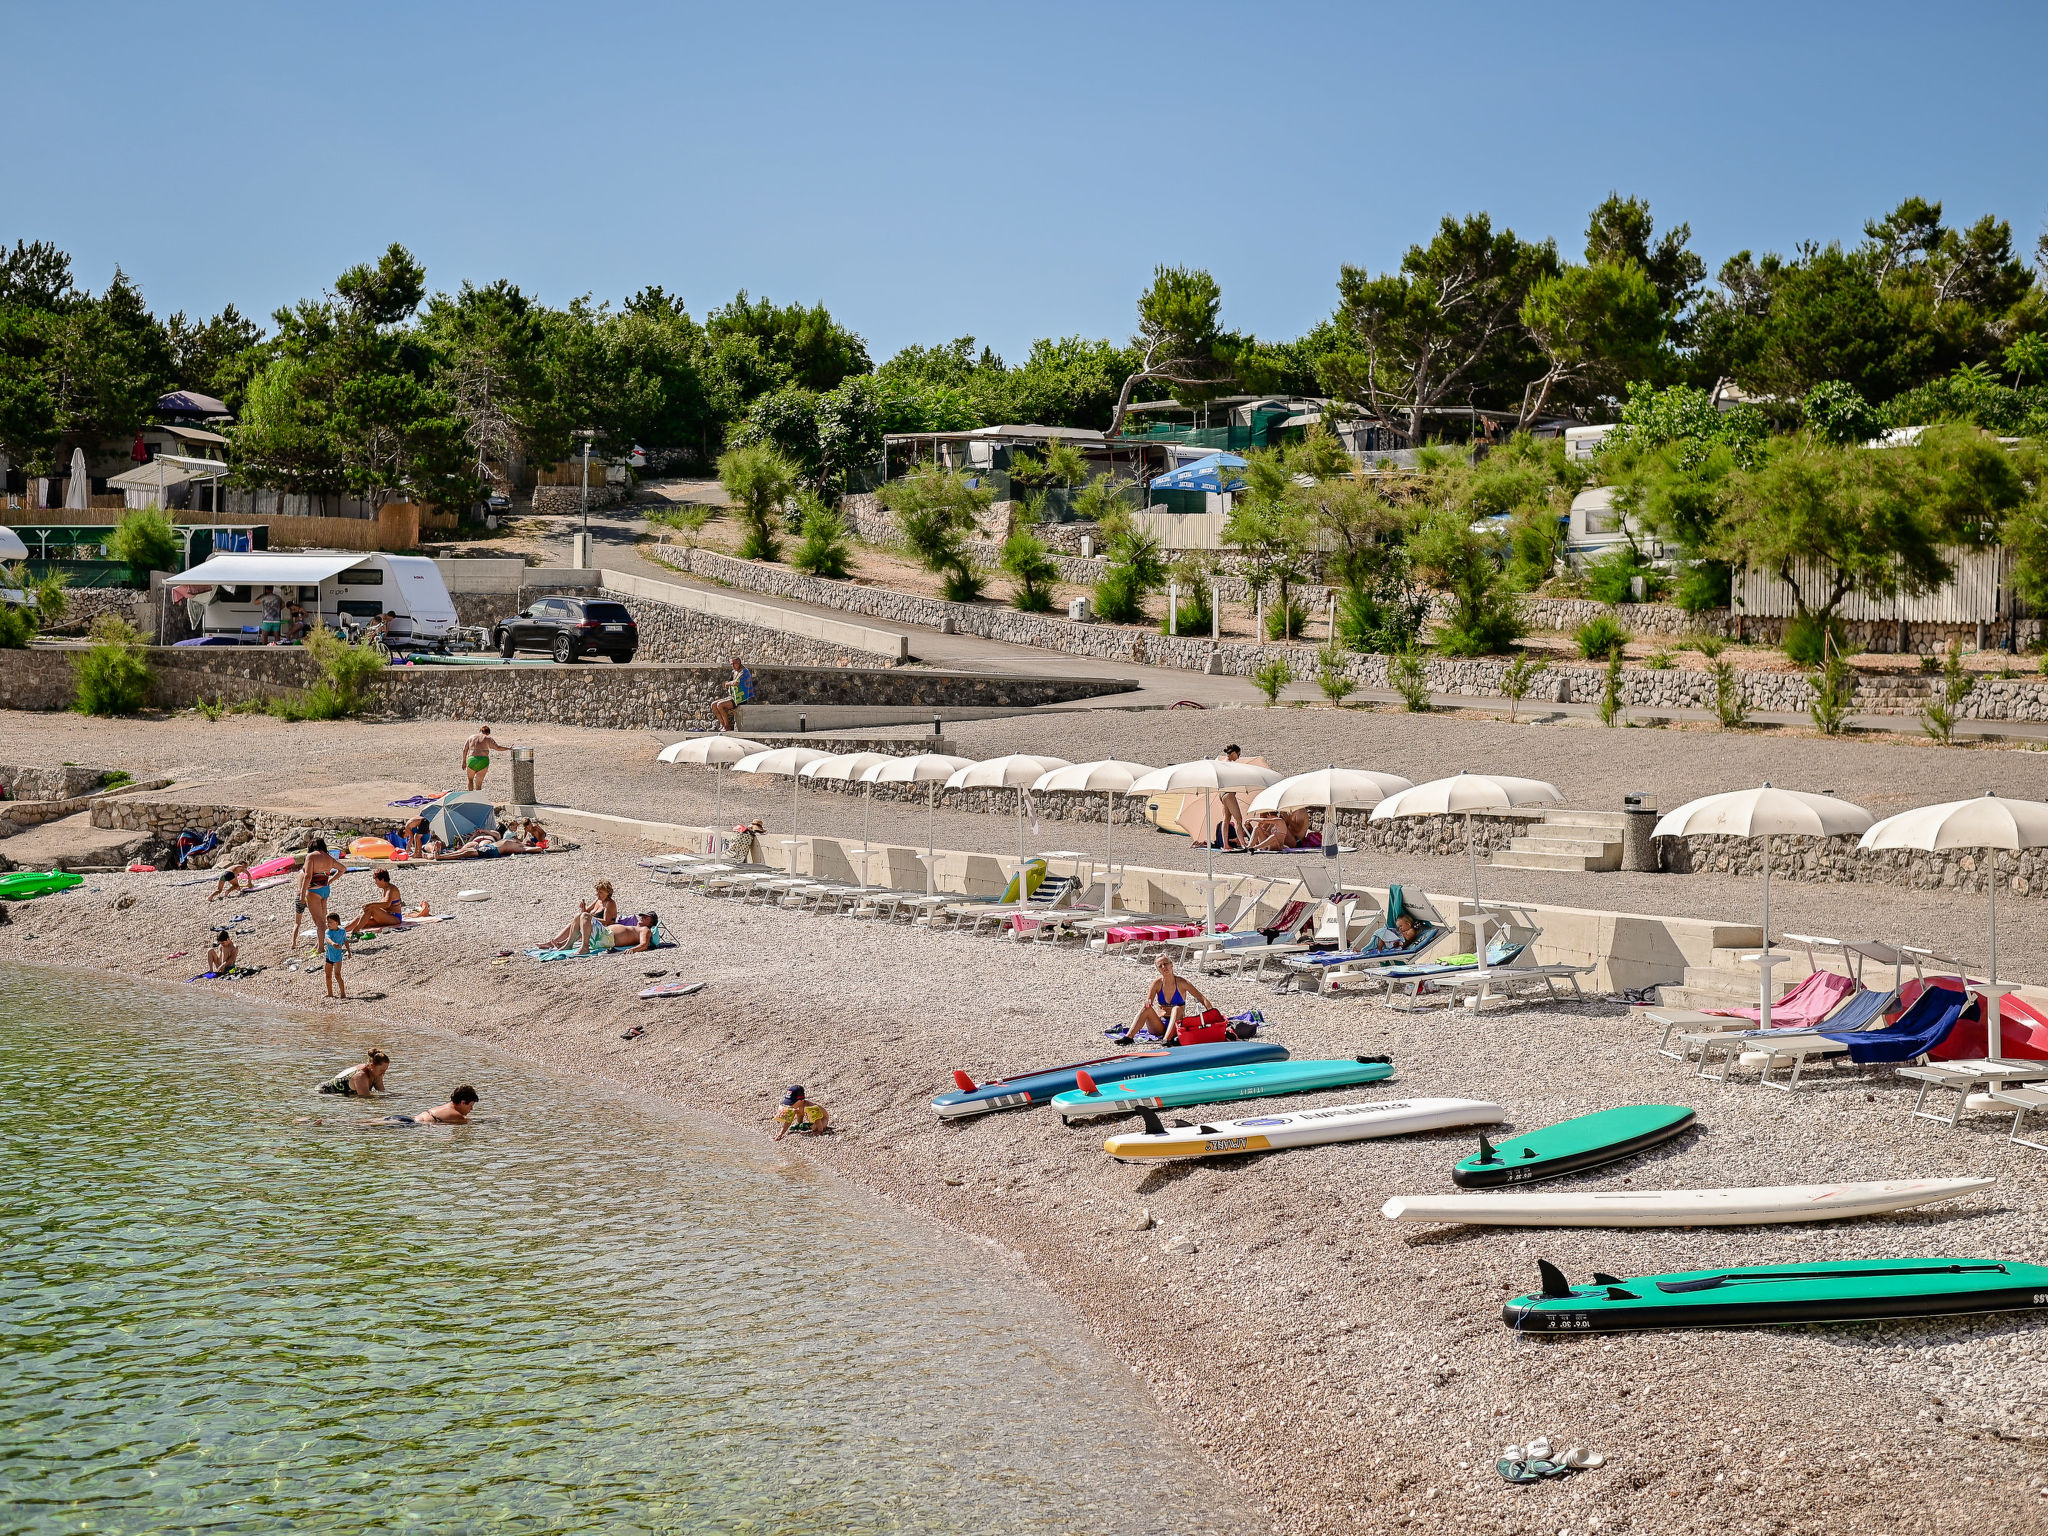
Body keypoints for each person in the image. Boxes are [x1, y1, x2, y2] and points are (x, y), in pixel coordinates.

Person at [1114, 956, 1213, 1045]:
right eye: (1160, 966)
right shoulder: (1157, 984)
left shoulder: (1182, 983)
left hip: (1176, 1024)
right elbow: (1149, 1000)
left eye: (1165, 964)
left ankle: (1166, 1040)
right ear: (1158, 969)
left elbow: (1201, 998)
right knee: (1146, 1009)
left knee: (1177, 1009)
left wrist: (1212, 1014)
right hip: (1160, 1024)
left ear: (1171, 965)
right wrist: (1148, 1001)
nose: (1164, 967)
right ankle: (1129, 1037)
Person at [292, 840, 344, 955]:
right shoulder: (328, 857)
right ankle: (319, 945)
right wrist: (330, 880)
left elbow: (308, 876)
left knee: (319, 922)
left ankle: (321, 948)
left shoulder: (311, 856)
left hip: (313, 892)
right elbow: (342, 869)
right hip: (325, 890)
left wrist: (302, 894)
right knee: (323, 919)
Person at [542, 880, 616, 948]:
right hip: (594, 925)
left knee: (582, 925)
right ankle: (554, 942)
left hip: (604, 929)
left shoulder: (610, 904)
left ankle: (563, 943)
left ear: (607, 892)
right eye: (597, 892)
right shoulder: (598, 900)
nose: (597, 894)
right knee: (573, 924)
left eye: (600, 892)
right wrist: (583, 908)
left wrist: (590, 918)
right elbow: (585, 913)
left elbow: (606, 921)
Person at [573, 911, 660, 955]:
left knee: (585, 915)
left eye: (646, 918)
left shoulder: (645, 930)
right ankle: (567, 945)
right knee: (578, 916)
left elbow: (644, 944)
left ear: (651, 924)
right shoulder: (636, 927)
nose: (643, 918)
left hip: (607, 938)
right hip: (602, 937)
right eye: (643, 916)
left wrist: (633, 950)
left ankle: (585, 947)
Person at [384, 1086, 478, 1125]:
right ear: (463, 1103)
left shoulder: (447, 1106)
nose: (472, 1109)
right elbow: (469, 1122)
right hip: (409, 1124)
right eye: (470, 1106)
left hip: (407, 1118)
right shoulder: (458, 1116)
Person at [1215, 745, 1249, 850]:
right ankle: (1243, 843)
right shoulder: (1230, 765)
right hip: (1229, 793)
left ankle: (1226, 845)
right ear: (1233, 753)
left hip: (1222, 793)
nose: (1238, 758)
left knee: (1226, 819)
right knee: (1238, 819)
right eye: (1238, 754)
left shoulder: (1221, 763)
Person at [318, 1049, 391, 1096]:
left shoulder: (376, 1073)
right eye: (381, 1070)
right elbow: (365, 1098)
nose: (383, 1073)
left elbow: (382, 1093)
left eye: (385, 1070)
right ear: (372, 1066)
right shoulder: (361, 1077)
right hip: (323, 1092)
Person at [711, 657, 754, 732]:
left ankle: (727, 726)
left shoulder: (744, 672)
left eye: (734, 664)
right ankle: (723, 724)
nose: (733, 666)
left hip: (741, 699)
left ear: (739, 663)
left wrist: (729, 683)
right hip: (733, 697)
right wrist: (729, 684)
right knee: (714, 705)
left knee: (720, 705)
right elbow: (727, 683)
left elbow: (736, 683)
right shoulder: (734, 672)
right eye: (731, 664)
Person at [461, 724, 508, 792]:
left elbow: (465, 749)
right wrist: (508, 748)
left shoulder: (471, 737)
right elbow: (498, 748)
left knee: (470, 780)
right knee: (479, 784)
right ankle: (478, 799)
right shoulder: (488, 738)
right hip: (483, 761)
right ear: (487, 733)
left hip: (472, 760)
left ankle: (470, 797)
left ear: (480, 730)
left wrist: (464, 761)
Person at [322, 913, 352, 998]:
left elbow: (345, 941)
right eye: (327, 922)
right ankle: (330, 993)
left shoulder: (342, 931)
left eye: (330, 922)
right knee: (328, 975)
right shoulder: (328, 931)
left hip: (338, 957)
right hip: (329, 956)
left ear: (337, 922)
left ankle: (343, 994)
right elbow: (328, 939)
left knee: (337, 975)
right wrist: (333, 944)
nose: (328, 924)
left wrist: (349, 952)